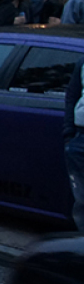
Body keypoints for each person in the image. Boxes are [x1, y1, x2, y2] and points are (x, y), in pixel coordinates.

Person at [62, 56, 84, 231]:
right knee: (82, 201)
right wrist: (69, 133)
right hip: (80, 137)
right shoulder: (82, 62)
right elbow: (72, 96)